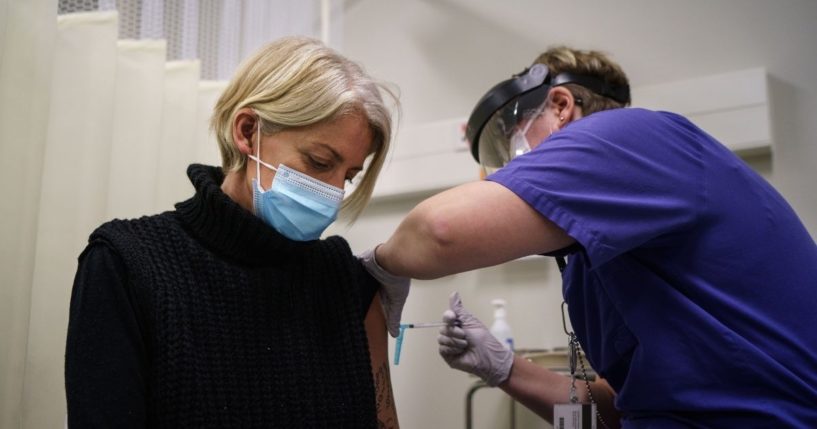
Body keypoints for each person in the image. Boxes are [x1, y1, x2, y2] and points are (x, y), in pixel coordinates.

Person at [361, 46, 817, 427]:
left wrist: (379, 265)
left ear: (560, 106)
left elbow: (440, 231)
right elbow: (608, 418)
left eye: (510, 142)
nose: (509, 166)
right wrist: (503, 369)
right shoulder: (589, 262)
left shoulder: (630, 134)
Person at [65, 36, 400, 428]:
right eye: (320, 161)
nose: (333, 193)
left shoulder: (344, 279)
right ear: (247, 131)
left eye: (348, 176)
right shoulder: (125, 265)